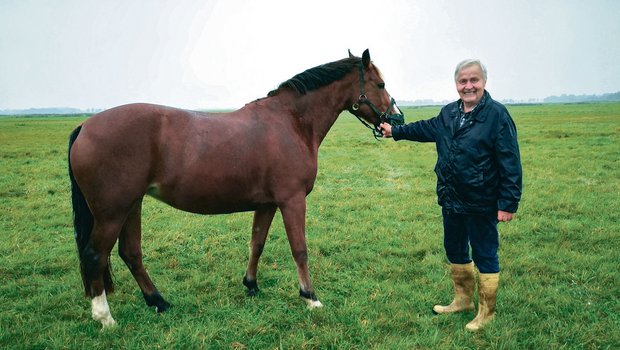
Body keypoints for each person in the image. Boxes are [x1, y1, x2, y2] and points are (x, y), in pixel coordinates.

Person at [380, 59, 522, 331]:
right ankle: (463, 301)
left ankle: (486, 313)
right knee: (454, 249)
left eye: (474, 80)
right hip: (451, 198)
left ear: (484, 82)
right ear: (456, 84)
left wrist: (508, 203)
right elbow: (424, 129)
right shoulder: (449, 113)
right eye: (463, 81)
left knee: (484, 253)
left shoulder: (497, 115)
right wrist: (395, 131)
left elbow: (510, 162)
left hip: (481, 201)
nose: (468, 86)